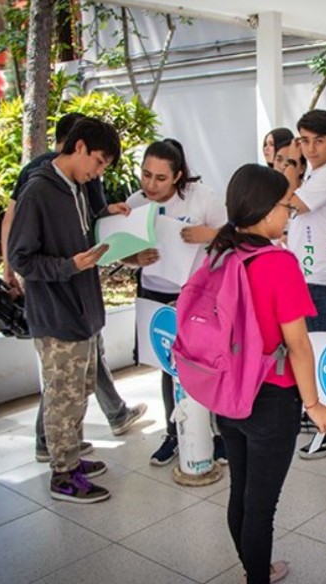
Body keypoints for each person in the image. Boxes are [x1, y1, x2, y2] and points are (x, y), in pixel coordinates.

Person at [208, 163, 326, 584]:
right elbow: (298, 345)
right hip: (271, 399)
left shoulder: (221, 252)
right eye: (286, 206)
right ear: (264, 213)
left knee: (241, 494)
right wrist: (314, 404)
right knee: (261, 507)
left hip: (226, 393)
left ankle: (254, 570)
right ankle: (257, 577)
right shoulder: (278, 263)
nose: (289, 213)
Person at [0, 112, 146, 462]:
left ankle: (71, 454)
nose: (98, 173)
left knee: (79, 391)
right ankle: (64, 473)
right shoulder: (38, 190)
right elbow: (22, 259)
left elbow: (82, 232)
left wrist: (106, 218)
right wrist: (69, 266)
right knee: (62, 396)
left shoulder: (76, 188)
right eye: (97, 162)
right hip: (56, 312)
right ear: (78, 146)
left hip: (83, 308)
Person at [122, 138, 227, 466]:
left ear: (178, 176)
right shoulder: (134, 203)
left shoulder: (203, 199)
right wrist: (134, 258)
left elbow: (235, 236)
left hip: (197, 295)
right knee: (169, 366)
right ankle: (173, 433)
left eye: (160, 178)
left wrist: (207, 235)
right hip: (155, 294)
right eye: (146, 174)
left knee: (205, 364)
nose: (151, 184)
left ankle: (218, 433)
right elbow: (121, 251)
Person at [283, 109, 326, 459]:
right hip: (311, 276)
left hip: (321, 280)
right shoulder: (317, 172)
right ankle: (318, 414)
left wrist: (289, 166)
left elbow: (288, 203)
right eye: (304, 141)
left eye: (318, 141)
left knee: (322, 353)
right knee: (311, 349)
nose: (310, 148)